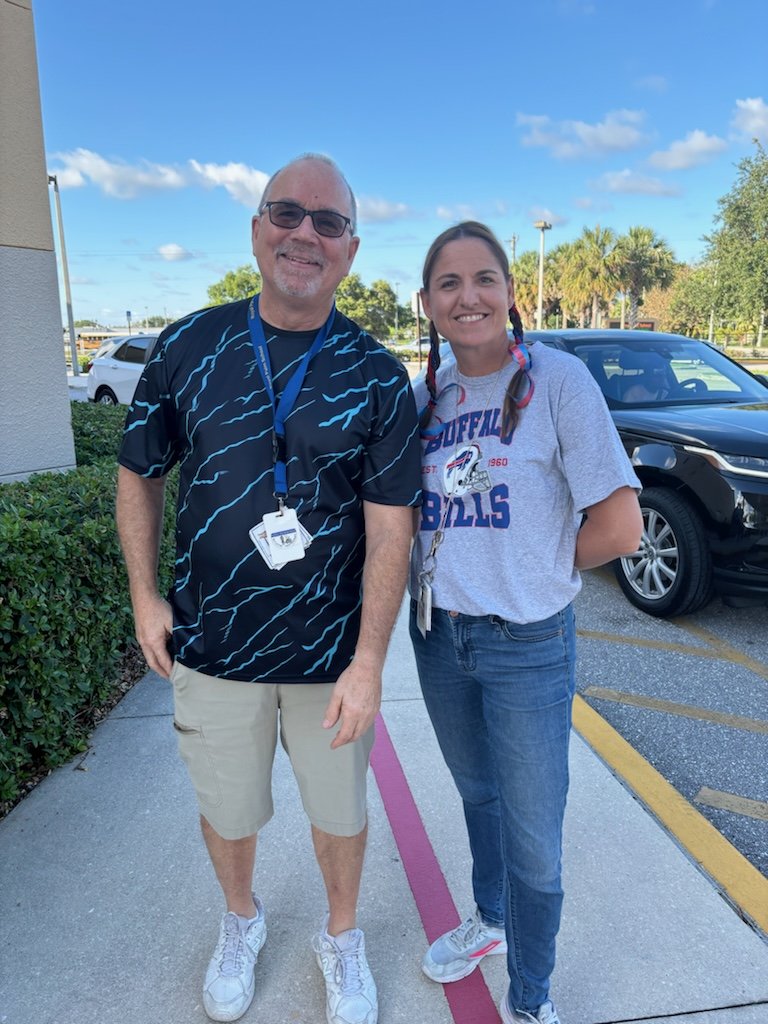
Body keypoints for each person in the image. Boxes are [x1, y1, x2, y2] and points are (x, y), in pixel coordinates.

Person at [116, 153, 421, 1024]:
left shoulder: (375, 374)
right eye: (287, 213)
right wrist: (144, 595)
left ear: (351, 251)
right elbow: (139, 472)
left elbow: (391, 526)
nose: (304, 234)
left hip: (331, 659)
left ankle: (341, 934)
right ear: (256, 231)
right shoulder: (190, 345)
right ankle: (242, 921)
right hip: (211, 645)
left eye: (328, 223)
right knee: (229, 808)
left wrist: (370, 660)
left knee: (340, 814)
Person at [409, 222, 643, 1024]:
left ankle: (533, 997)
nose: (467, 296)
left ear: (509, 292)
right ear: (428, 304)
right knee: (479, 795)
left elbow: (621, 527)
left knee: (535, 833)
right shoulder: (425, 398)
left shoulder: (559, 381)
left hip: (527, 644)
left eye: (483, 278)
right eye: (448, 283)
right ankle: (492, 920)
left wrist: (541, 566)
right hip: (439, 638)